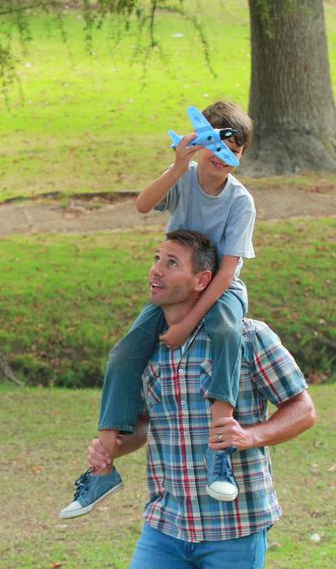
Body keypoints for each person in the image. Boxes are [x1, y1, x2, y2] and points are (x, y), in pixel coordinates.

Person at [60, 102, 258, 519]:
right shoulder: (184, 181)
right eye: (218, 145)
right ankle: (102, 467)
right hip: (176, 285)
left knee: (225, 333)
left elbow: (226, 273)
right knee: (124, 353)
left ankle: (219, 451)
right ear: (199, 144)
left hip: (219, 290)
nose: (226, 157)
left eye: (236, 151)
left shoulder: (241, 201)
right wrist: (176, 166)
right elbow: (143, 204)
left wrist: (188, 322)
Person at [86, 231, 316, 567]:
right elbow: (143, 427)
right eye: (156, 259)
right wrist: (114, 449)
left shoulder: (248, 337)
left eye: (172, 263)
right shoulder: (146, 348)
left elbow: (303, 410)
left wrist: (250, 436)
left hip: (234, 527)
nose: (156, 270)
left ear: (201, 280)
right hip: (166, 526)